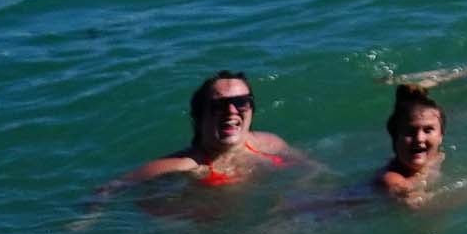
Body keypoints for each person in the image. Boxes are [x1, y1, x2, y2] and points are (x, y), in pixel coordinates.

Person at [103, 72, 312, 195]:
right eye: (218, 105)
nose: (231, 111)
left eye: (241, 103)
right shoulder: (182, 165)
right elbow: (110, 189)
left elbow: (312, 169)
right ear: (199, 116)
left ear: (251, 110)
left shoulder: (270, 143)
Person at [369, 87, 447, 202]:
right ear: (395, 137)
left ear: (441, 136)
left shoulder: (438, 156)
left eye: (428, 130)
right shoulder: (391, 179)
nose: (419, 138)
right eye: (410, 131)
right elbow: (416, 206)